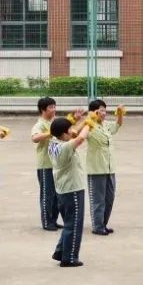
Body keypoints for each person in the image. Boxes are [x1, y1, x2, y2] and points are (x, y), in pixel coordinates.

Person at [48, 117, 91, 267]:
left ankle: (61, 251)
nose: (71, 131)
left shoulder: (54, 143)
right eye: (69, 130)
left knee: (69, 223)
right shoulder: (64, 147)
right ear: (64, 133)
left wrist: (83, 122)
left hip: (63, 188)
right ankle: (70, 257)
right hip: (72, 188)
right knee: (74, 224)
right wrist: (90, 123)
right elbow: (79, 139)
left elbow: (74, 135)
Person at [85, 99, 125, 236]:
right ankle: (97, 226)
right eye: (100, 110)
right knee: (98, 199)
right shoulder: (89, 126)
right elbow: (77, 133)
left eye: (104, 110)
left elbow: (117, 125)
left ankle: (103, 223)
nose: (103, 113)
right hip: (96, 168)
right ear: (93, 112)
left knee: (109, 198)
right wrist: (89, 119)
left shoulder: (105, 125)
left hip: (109, 168)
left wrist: (120, 113)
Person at [31, 97, 60, 231]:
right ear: (43, 110)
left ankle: (54, 219)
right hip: (45, 165)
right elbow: (35, 138)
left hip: (57, 164)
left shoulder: (55, 121)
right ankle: (47, 221)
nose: (54, 110)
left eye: (54, 106)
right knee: (47, 195)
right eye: (51, 107)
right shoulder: (40, 124)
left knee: (56, 195)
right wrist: (50, 133)